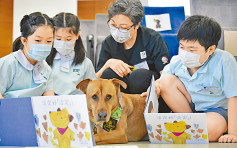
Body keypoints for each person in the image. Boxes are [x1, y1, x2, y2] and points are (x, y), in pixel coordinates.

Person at [154, 15, 237, 142]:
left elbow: (233, 97)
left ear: (210, 50)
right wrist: (154, 88)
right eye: (182, 47)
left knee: (212, 128)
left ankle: (193, 128)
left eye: (192, 49)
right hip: (191, 107)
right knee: (166, 80)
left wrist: (233, 134)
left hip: (216, 110)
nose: (185, 53)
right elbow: (161, 82)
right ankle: (190, 123)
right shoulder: (177, 60)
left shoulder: (224, 61)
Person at [96, 0, 170, 96]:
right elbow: (96, 79)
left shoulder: (153, 39)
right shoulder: (108, 43)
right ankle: (118, 109)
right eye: (113, 25)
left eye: (123, 27)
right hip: (122, 90)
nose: (117, 31)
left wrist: (157, 84)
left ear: (137, 24)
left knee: (138, 77)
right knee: (108, 73)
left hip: (147, 87)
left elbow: (166, 74)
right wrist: (108, 64)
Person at [0, 12, 55, 99]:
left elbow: (49, 101)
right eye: (38, 40)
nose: (44, 45)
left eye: (49, 41)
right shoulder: (8, 64)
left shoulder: (46, 70)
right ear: (24, 40)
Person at [46, 12, 96, 95]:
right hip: (51, 104)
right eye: (58, 39)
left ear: (77, 35)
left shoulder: (86, 63)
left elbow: (93, 91)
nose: (63, 43)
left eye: (68, 39)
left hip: (77, 105)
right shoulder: (45, 61)